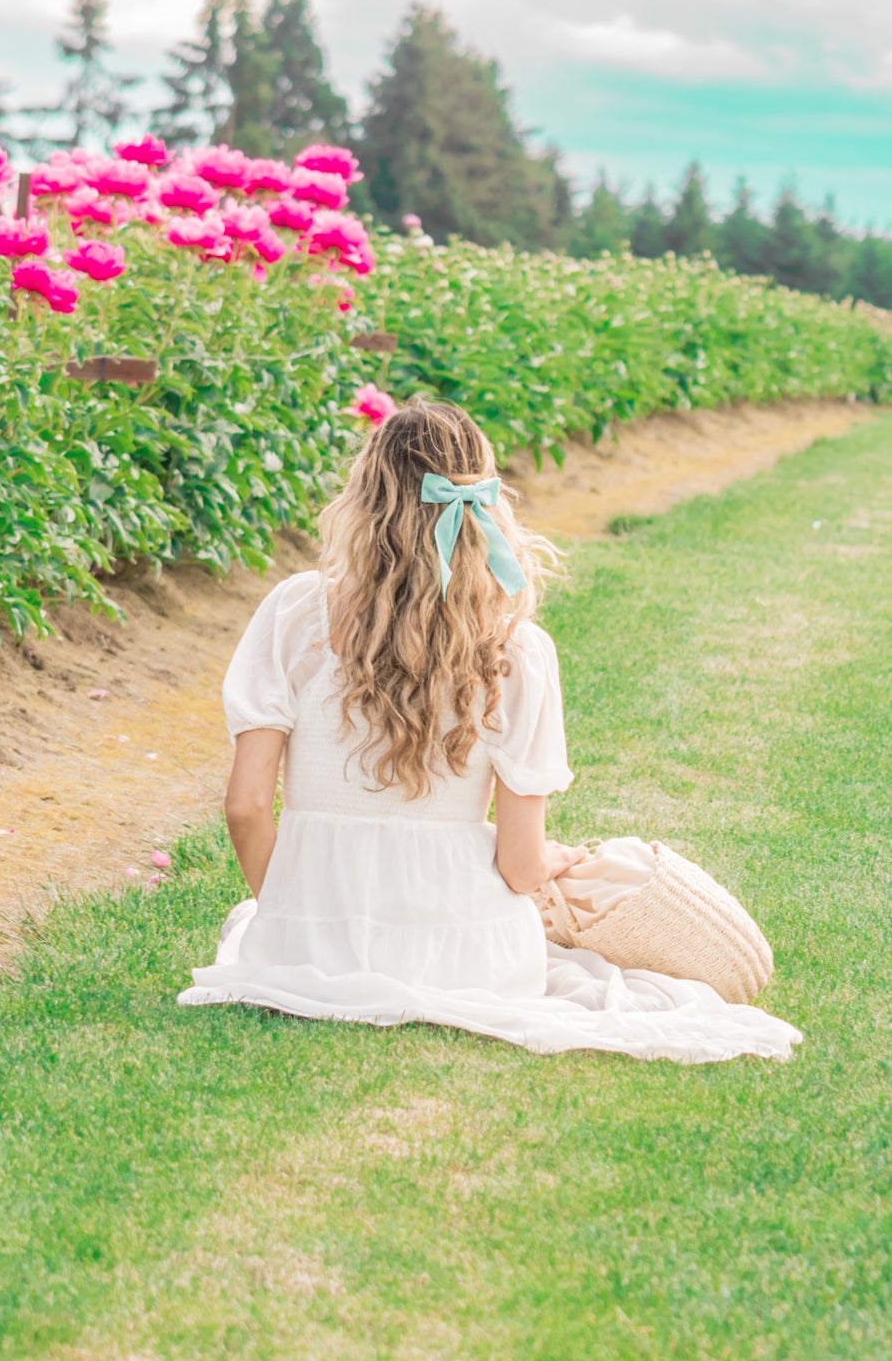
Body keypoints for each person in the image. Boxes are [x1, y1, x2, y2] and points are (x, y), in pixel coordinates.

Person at [178, 399, 802, 1063]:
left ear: (365, 494)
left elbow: (245, 807)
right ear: (487, 502)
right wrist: (558, 859)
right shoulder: (517, 649)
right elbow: (519, 865)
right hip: (469, 957)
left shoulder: (296, 612)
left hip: (300, 946)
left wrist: (295, 921)